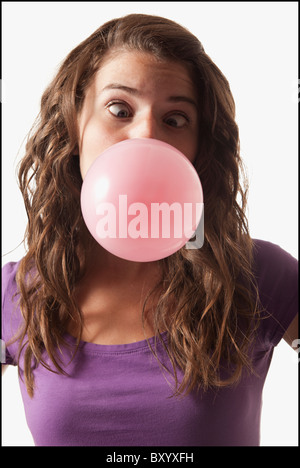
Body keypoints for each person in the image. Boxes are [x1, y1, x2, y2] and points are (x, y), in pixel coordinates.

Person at [2, 14, 298, 447]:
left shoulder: (257, 275)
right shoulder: (16, 295)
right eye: (120, 109)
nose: (146, 135)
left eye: (176, 119)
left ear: (199, 148)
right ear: (72, 121)